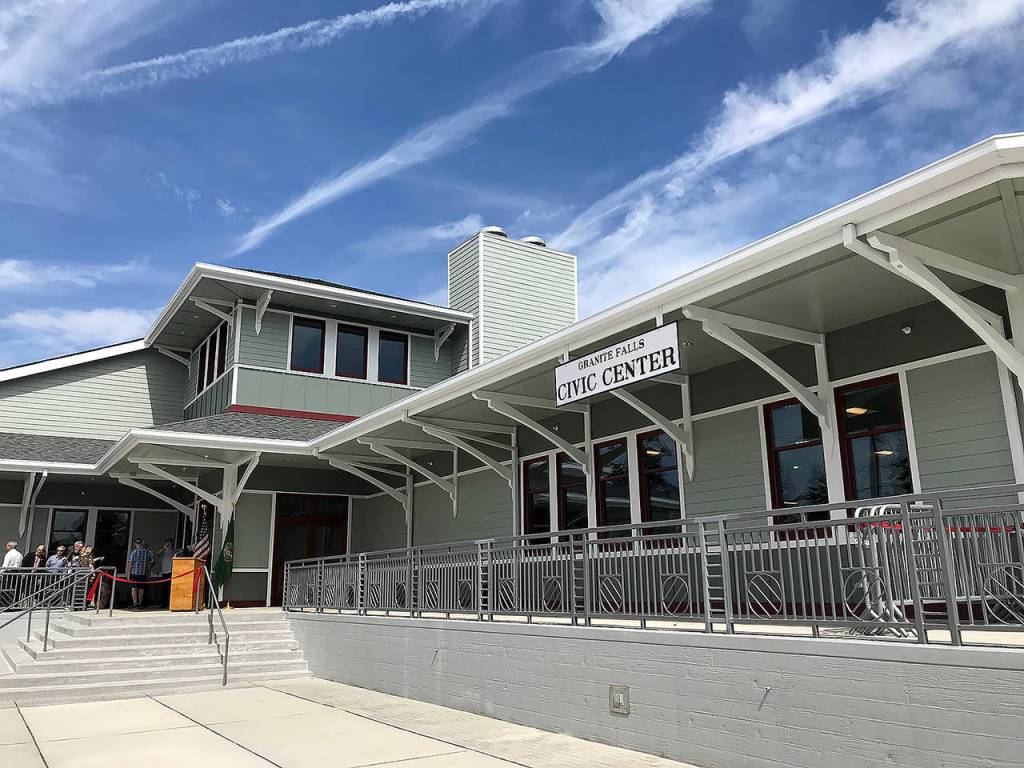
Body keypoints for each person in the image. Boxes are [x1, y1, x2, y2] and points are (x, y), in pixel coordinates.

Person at [127, 539, 153, 609]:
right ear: (141, 543)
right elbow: (150, 562)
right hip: (143, 573)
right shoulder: (147, 552)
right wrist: (149, 573)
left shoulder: (134, 552)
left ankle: (135, 603)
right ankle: (140, 603)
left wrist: (128, 574)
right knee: (141, 589)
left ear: (135, 544)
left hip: (134, 573)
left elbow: (130, 563)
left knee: (134, 588)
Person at [155, 538, 176, 607]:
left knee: (172, 587)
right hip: (165, 571)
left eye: (172, 543)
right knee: (164, 588)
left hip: (173, 571)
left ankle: (170, 602)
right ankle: (163, 603)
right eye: (169, 543)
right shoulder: (164, 550)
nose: (170, 544)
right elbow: (158, 554)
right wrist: (164, 547)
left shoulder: (174, 550)